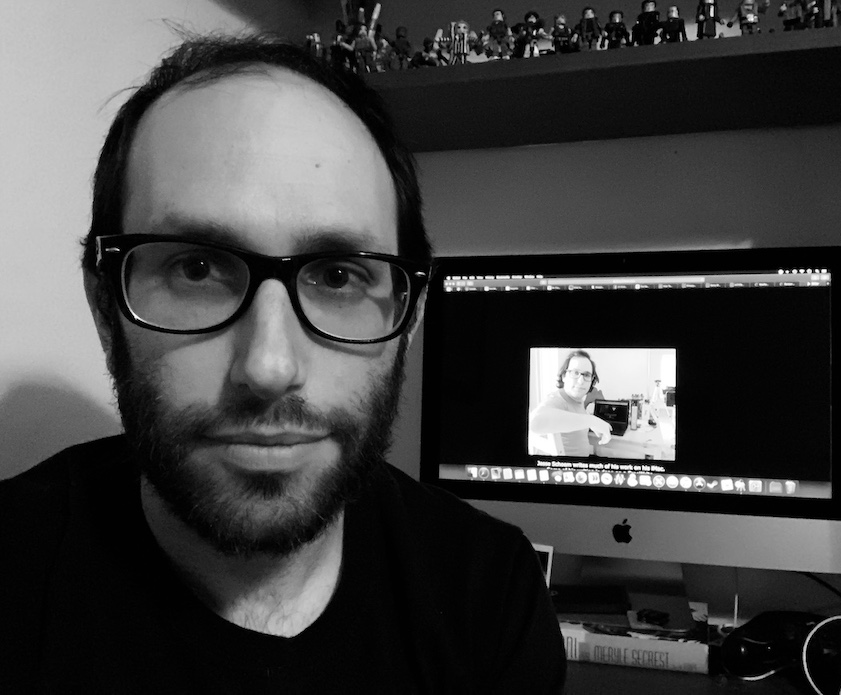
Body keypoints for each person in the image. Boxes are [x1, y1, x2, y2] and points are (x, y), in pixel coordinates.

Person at [0, 34, 565, 692]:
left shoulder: (487, 593)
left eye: (336, 276)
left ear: (405, 321)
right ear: (106, 309)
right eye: (197, 267)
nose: (268, 367)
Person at [529, 350, 613, 457]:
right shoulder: (557, 399)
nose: (581, 381)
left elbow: (573, 415)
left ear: (591, 380)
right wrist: (592, 421)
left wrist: (590, 421)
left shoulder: (578, 400)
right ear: (564, 376)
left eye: (586, 375)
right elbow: (535, 422)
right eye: (575, 373)